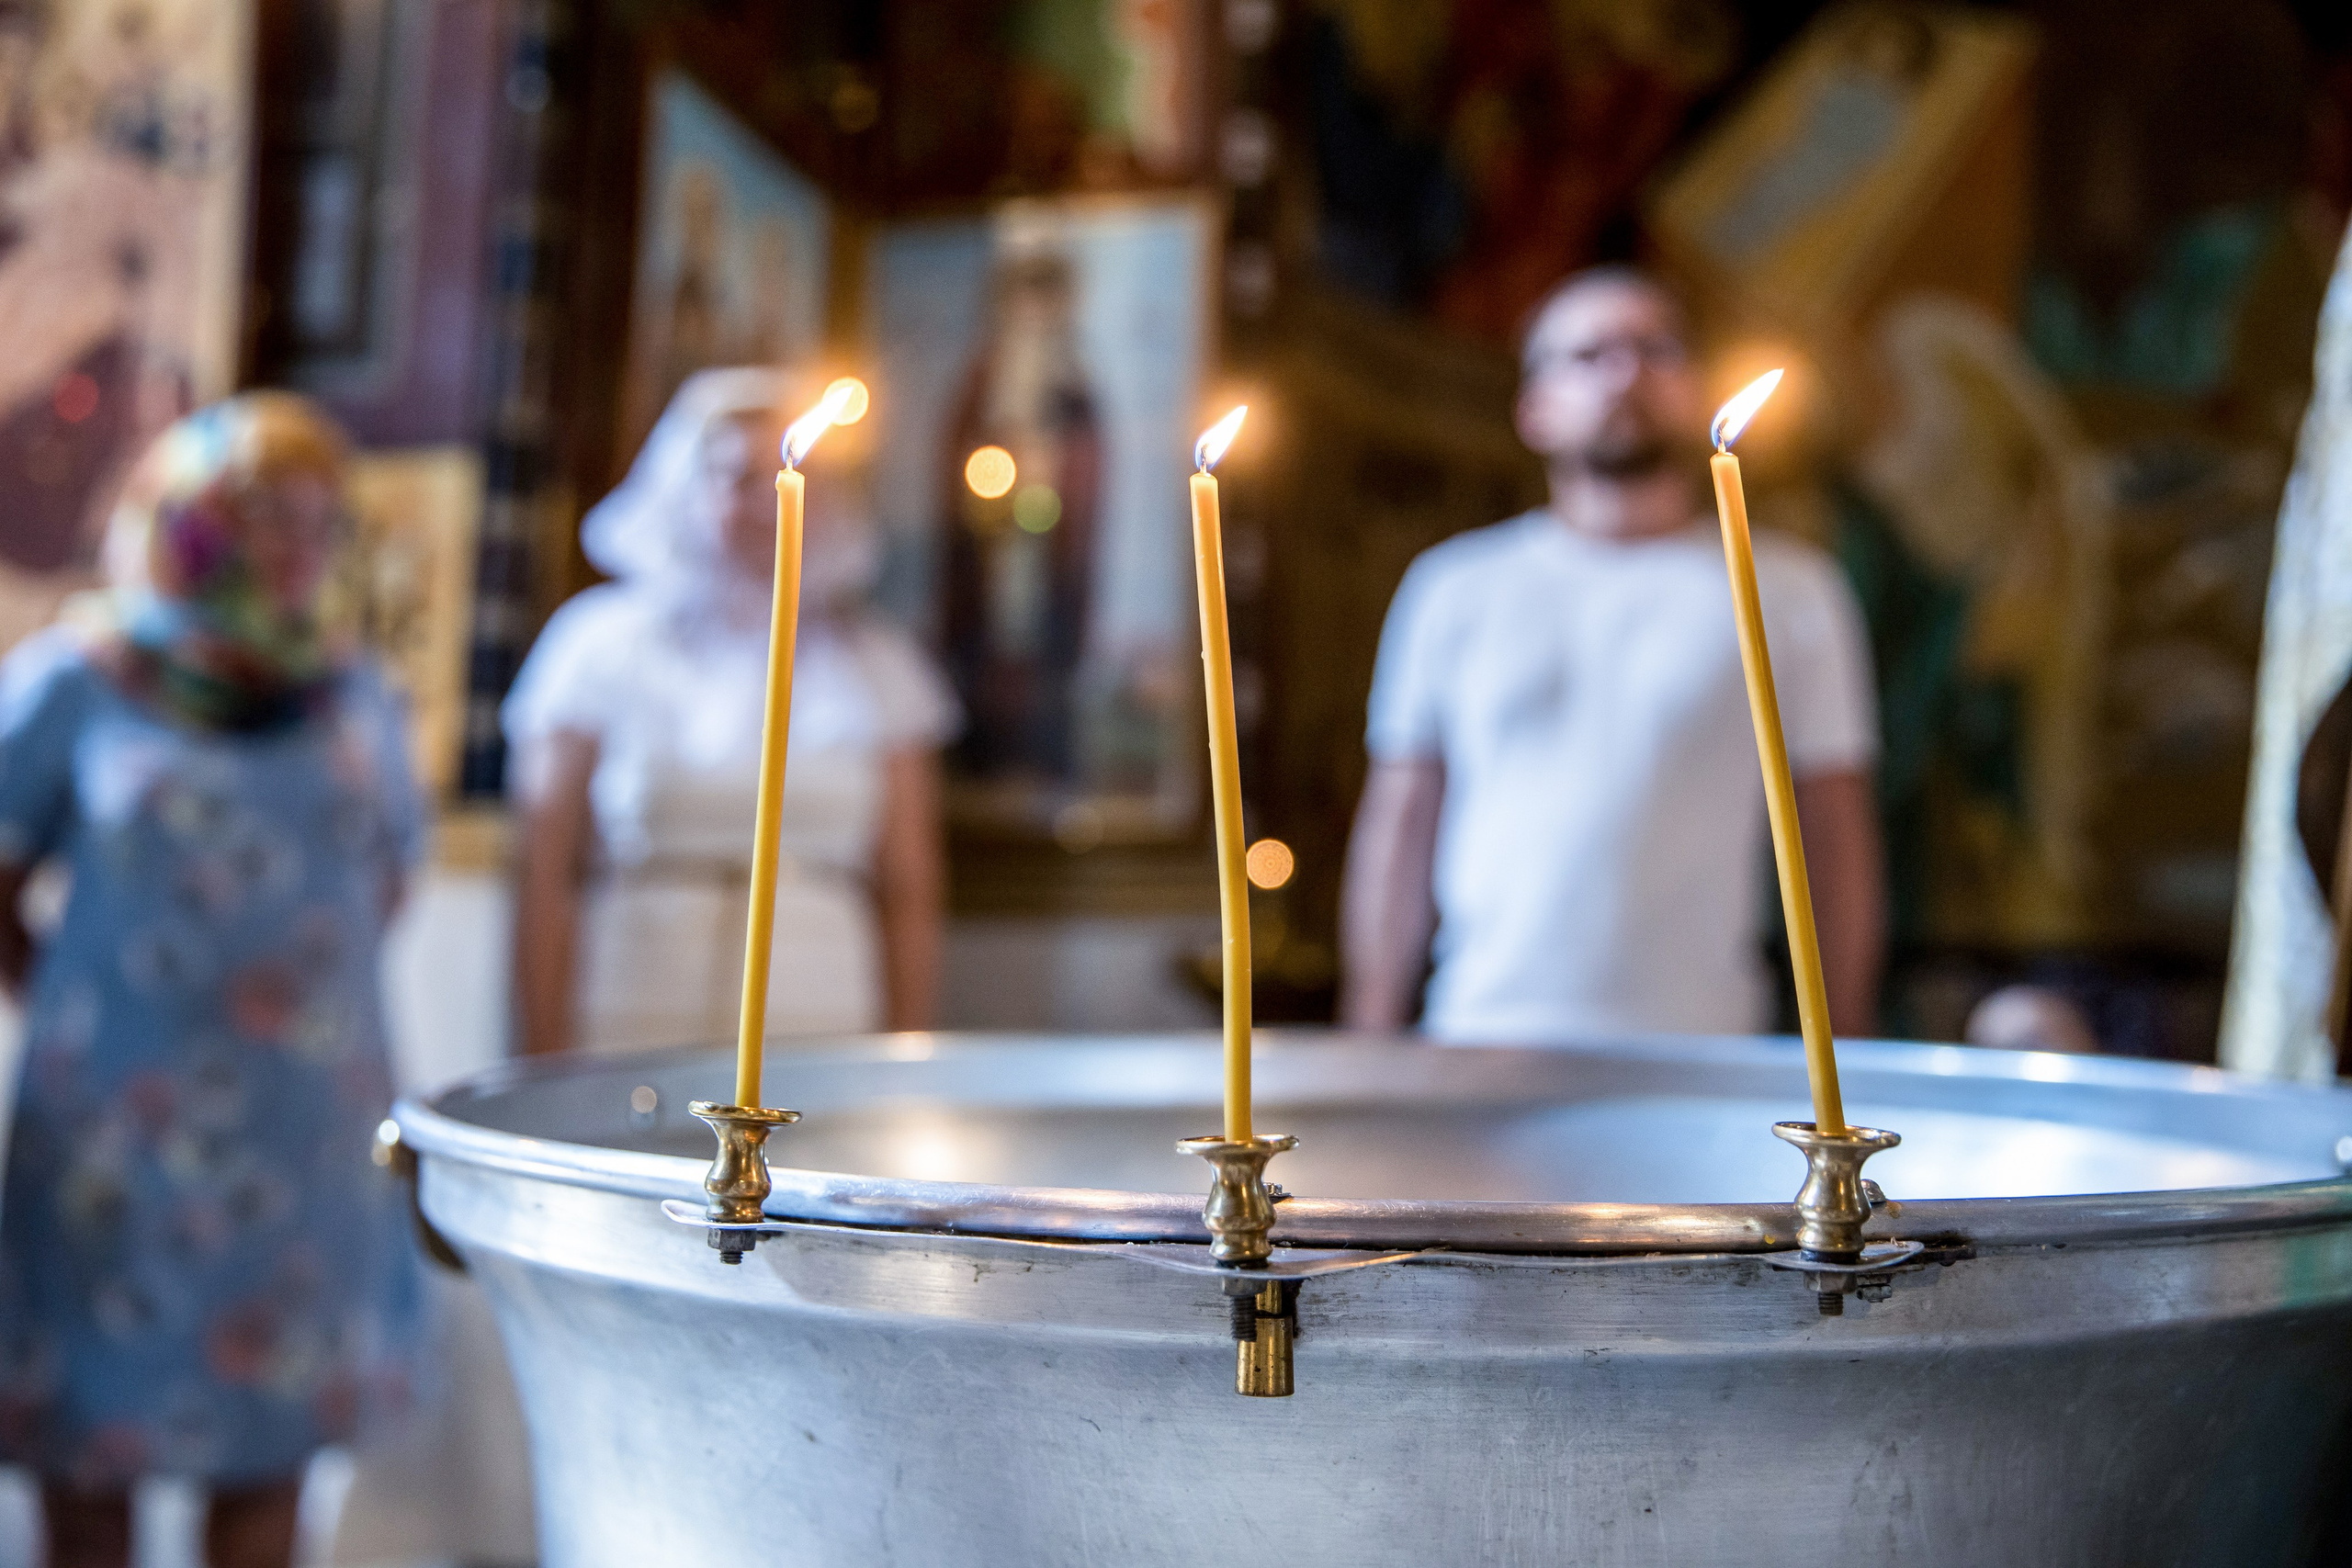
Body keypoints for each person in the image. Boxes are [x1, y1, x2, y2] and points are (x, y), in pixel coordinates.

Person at [0, 393, 424, 1568]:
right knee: (88, 1445)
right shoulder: (81, 679)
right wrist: (78, 999)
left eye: (316, 518)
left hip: (301, 1137)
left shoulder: (352, 695)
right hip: (110, 1138)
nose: (293, 542)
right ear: (181, 515)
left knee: (270, 1444)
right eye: (259, 512)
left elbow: (388, 873)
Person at [1340, 267, 1885, 1043]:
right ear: (1534, 408)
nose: (1625, 374)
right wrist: (1370, 1031)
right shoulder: (1453, 589)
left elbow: (1834, 834)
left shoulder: (1790, 593)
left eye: (1654, 349)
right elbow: (1401, 824)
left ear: (1696, 390)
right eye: (1588, 355)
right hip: (1482, 1033)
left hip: (1703, 1044)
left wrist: (1845, 1041)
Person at [509, 367, 955, 1056]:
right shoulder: (597, 646)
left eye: (780, 479)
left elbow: (908, 884)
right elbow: (544, 865)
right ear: (686, 487)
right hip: (636, 1003)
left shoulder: (875, 665)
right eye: (736, 479)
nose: (761, 507)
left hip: (819, 1015)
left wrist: (906, 1060)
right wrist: (539, 1052)